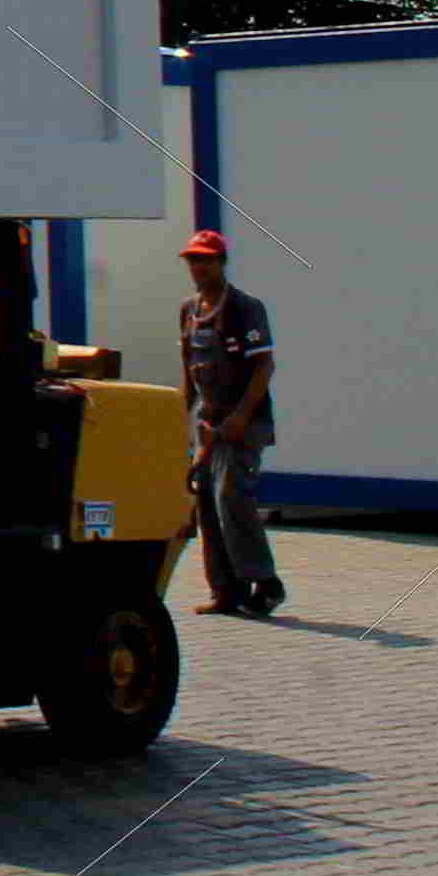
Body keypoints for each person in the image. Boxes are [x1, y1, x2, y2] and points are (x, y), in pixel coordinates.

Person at [178, 229, 286, 618]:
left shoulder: (244, 307)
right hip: (208, 425)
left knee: (232, 498)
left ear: (221, 262)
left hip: (244, 422)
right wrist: (181, 419)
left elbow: (264, 365)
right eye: (193, 260)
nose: (198, 266)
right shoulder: (188, 310)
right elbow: (189, 369)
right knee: (207, 503)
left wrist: (240, 416)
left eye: (205, 259)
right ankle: (226, 590)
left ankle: (266, 583)